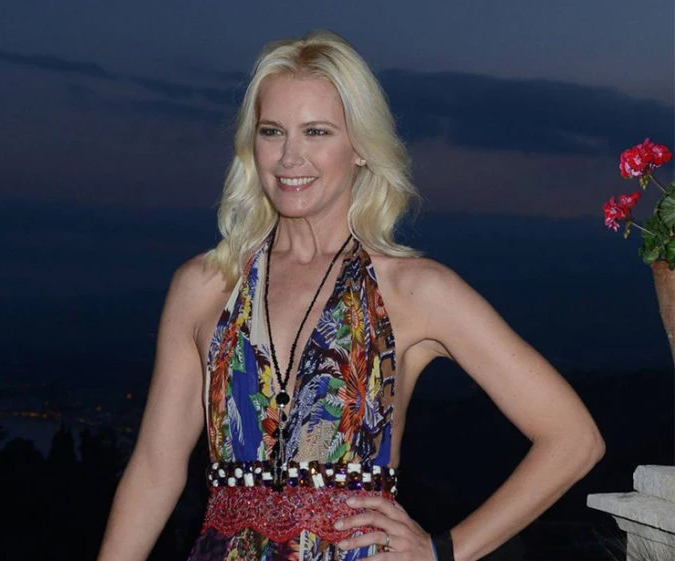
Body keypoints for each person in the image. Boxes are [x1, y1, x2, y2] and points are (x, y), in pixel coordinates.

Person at [97, 30, 604, 561]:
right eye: (272, 132)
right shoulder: (204, 287)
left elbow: (573, 439)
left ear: (361, 147)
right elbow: (155, 469)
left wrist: (443, 551)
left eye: (316, 132)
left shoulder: (414, 290)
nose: (289, 157)